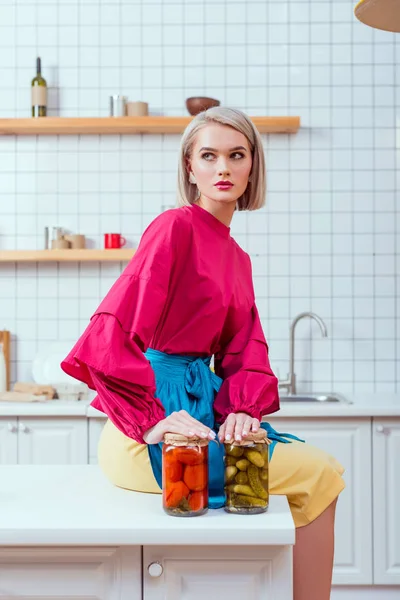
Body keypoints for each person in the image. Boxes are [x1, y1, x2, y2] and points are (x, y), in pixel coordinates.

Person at [61, 106, 345, 600]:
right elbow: (115, 327)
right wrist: (150, 419)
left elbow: (244, 349)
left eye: (236, 156)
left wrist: (240, 408)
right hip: (148, 431)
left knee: (314, 473)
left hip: (203, 411)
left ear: (252, 166)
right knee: (320, 473)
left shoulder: (238, 258)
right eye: (208, 156)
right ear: (189, 167)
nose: (223, 169)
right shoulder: (175, 227)